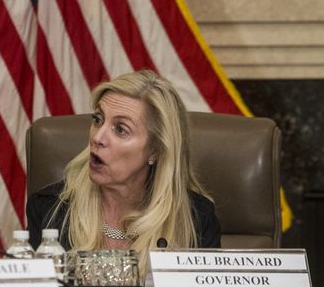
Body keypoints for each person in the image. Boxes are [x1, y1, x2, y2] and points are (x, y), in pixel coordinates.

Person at [26, 69, 221, 272]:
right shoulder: (49, 210)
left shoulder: (197, 220)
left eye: (120, 129)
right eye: (98, 120)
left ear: (155, 151)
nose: (98, 138)